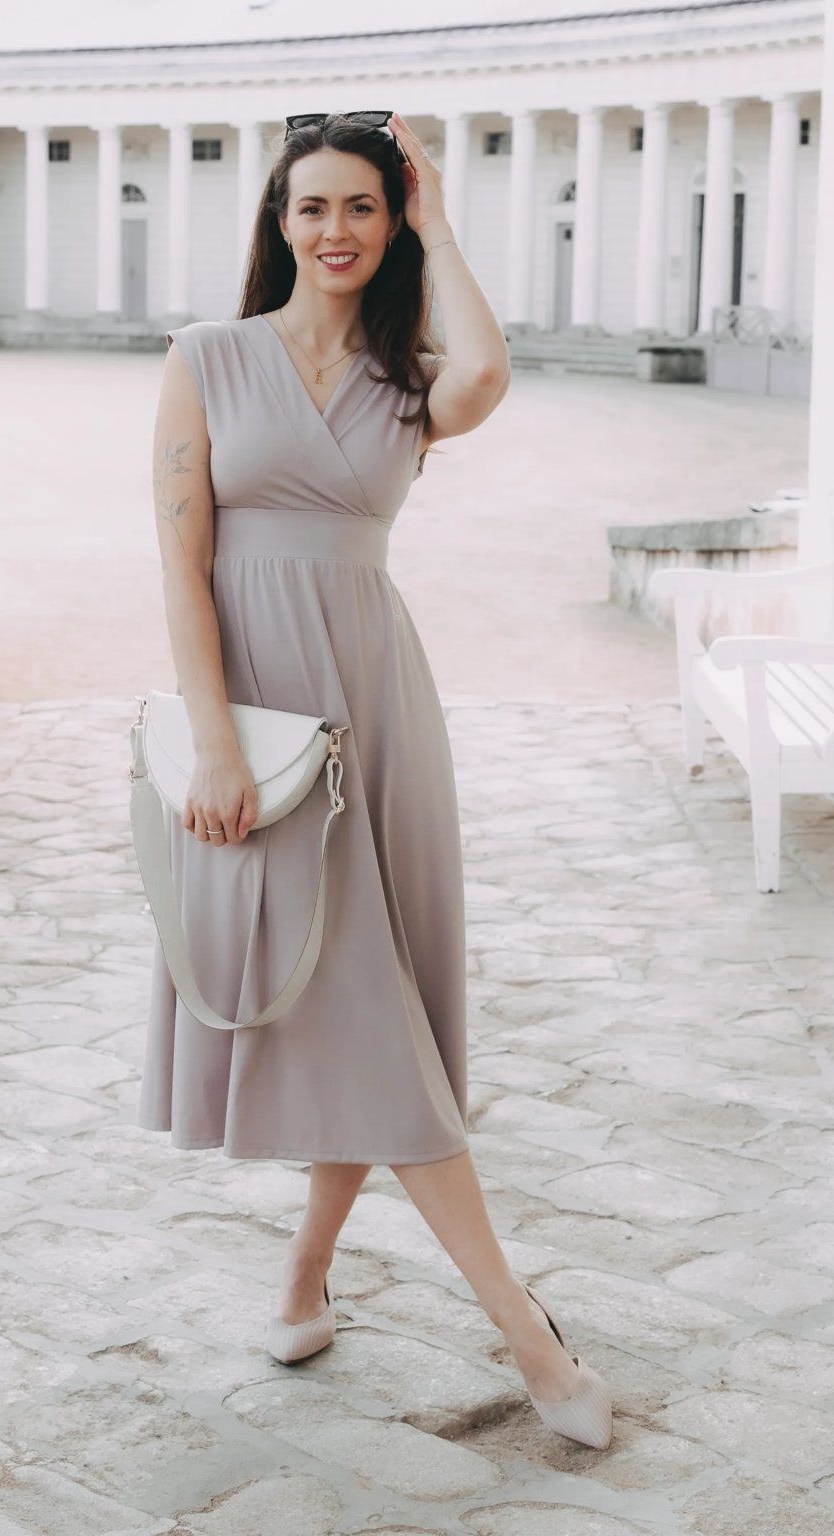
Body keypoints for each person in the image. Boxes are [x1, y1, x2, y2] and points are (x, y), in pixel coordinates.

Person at [139, 110, 611, 1450]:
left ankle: (309, 1275)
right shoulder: (206, 357)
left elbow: (491, 371)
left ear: (390, 222)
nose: (335, 229)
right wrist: (213, 739)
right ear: (278, 223)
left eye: (362, 206)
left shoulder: (413, 381)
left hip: (376, 707)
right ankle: (523, 1329)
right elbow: (179, 558)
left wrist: (441, 218)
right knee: (357, 1006)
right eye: (312, 207)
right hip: (259, 720)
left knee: (374, 1002)